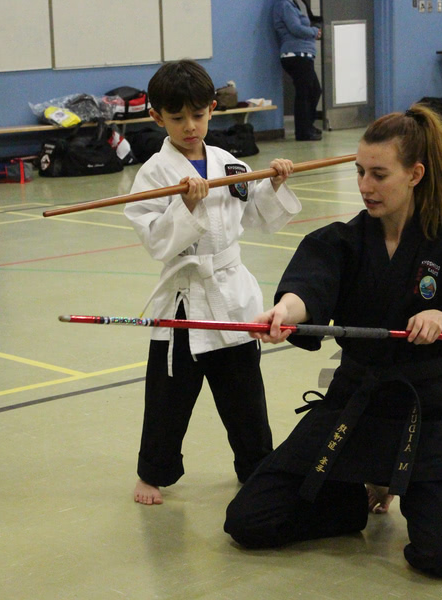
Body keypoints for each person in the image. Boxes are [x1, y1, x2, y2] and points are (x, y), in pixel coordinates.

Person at [223, 104, 442, 579]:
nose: (364, 186)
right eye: (359, 172)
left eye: (379, 174)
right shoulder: (343, 241)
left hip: (423, 407)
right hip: (352, 401)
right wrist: (283, 313)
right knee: (250, 521)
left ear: (415, 174)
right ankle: (346, 498)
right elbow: (310, 287)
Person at [124, 59, 302, 505]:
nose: (190, 126)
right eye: (178, 117)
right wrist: (184, 207)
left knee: (245, 392)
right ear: (156, 116)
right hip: (184, 298)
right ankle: (152, 473)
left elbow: (260, 214)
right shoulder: (152, 175)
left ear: (211, 110)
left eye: (198, 115)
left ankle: (256, 464)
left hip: (231, 293)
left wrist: (275, 183)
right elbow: (158, 243)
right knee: (169, 395)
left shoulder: (228, 163)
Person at [272, 0, 323, 141]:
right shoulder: (284, 4)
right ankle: (303, 132)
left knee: (314, 90)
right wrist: (315, 32)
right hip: (296, 54)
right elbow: (295, 28)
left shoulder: (294, 4)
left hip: (303, 55)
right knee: (304, 93)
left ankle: (307, 126)